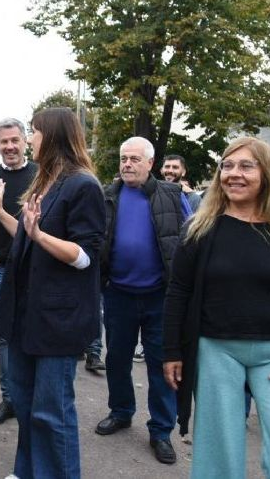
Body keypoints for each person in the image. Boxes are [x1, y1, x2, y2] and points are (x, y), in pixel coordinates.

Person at [163, 137, 270, 479]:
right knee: (218, 459)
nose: (234, 174)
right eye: (227, 166)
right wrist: (172, 350)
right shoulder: (200, 229)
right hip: (215, 350)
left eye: (246, 166)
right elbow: (178, 292)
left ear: (266, 173)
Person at [0, 107, 105, 478]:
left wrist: (39, 234)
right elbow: (29, 238)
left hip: (59, 321)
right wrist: (4, 216)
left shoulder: (83, 185)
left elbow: (85, 256)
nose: (28, 140)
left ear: (53, 136)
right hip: (27, 315)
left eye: (34, 132)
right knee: (26, 405)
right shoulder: (46, 181)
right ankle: (27, 471)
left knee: (51, 411)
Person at [94, 136, 191, 465]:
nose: (127, 164)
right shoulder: (108, 195)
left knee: (161, 364)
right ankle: (120, 412)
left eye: (135, 159)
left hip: (160, 297)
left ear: (151, 163)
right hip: (118, 294)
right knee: (117, 358)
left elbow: (191, 239)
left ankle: (161, 430)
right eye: (124, 158)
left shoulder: (172, 195)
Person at [0, 118, 37, 425]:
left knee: (34, 331)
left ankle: (32, 394)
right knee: (5, 336)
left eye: (15, 140)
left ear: (26, 140)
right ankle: (10, 399)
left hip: (37, 270)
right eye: (4, 142)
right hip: (0, 271)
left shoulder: (41, 175)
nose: (10, 147)